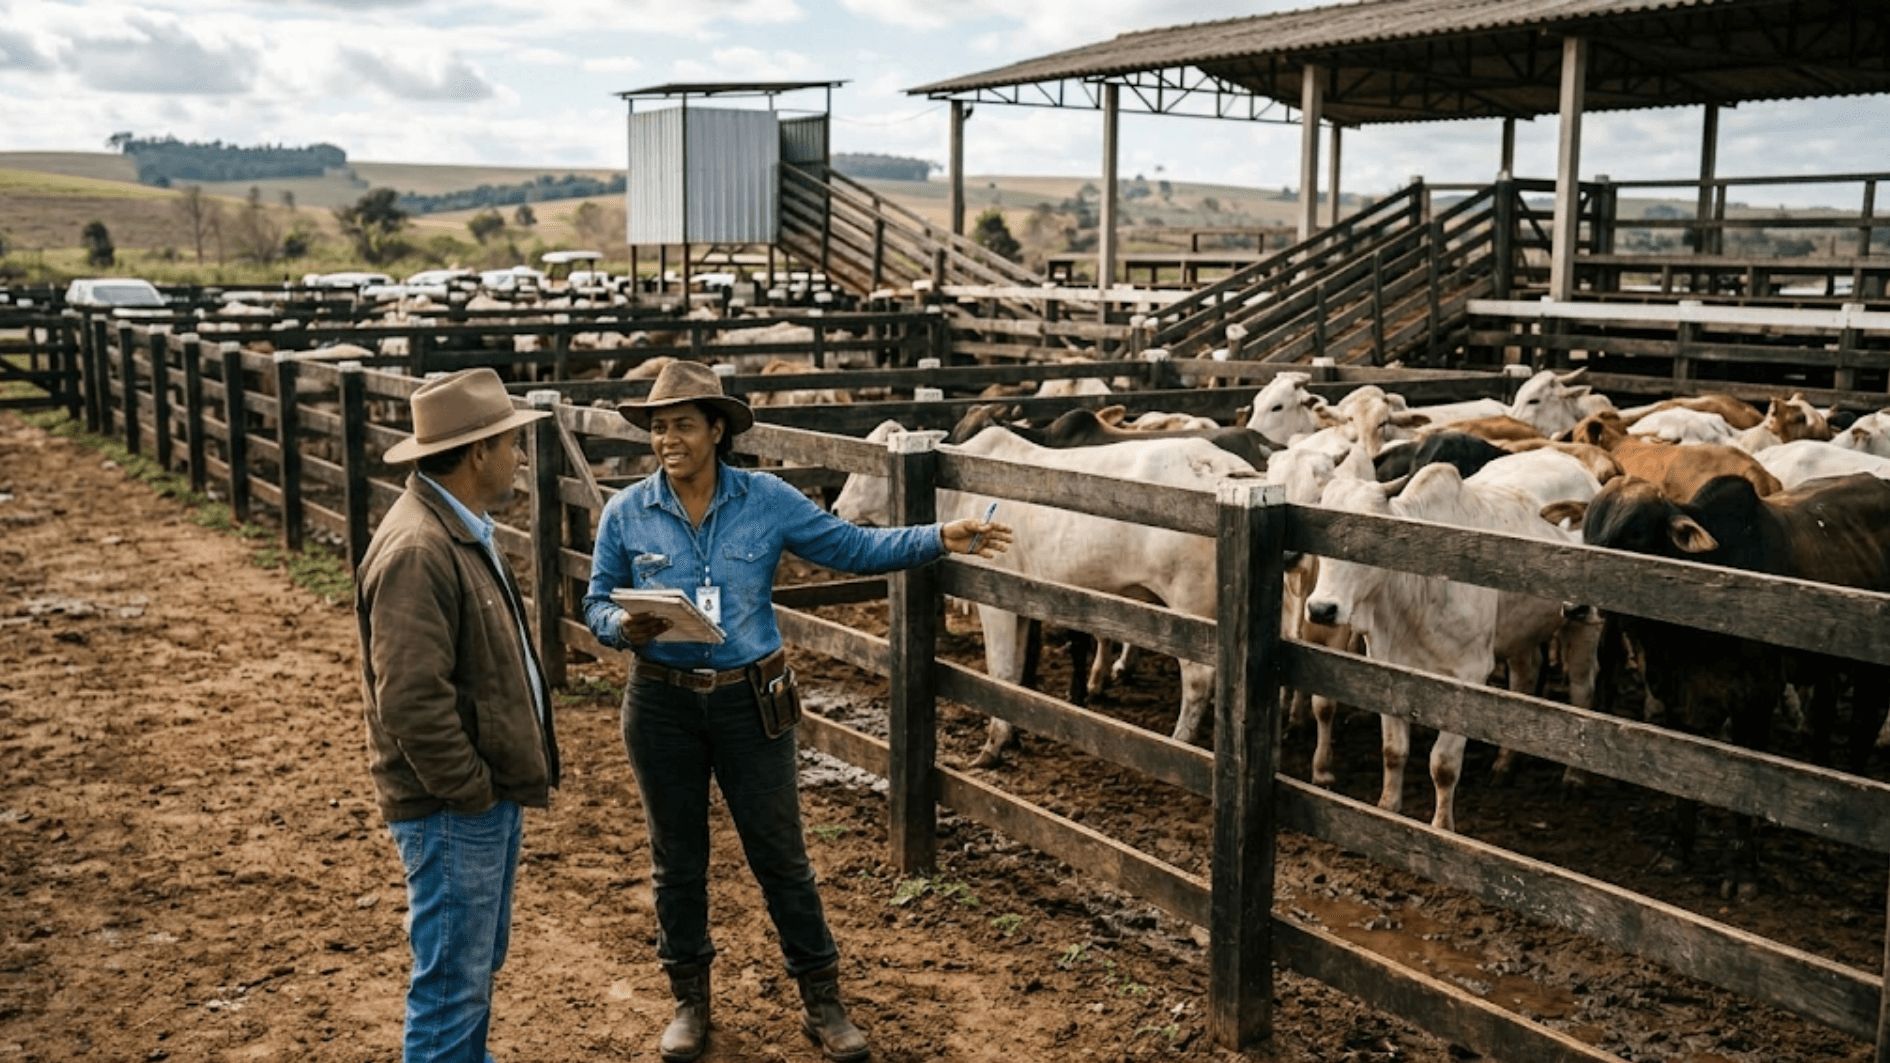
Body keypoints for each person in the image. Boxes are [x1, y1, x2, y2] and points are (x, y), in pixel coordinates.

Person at [584, 360, 1011, 1063]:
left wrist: (939, 536)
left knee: (782, 857)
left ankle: (823, 1000)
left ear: (717, 429)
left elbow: (852, 546)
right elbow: (597, 597)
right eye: (658, 428)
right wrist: (617, 626)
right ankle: (690, 1000)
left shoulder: (767, 499)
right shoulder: (626, 512)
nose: (667, 440)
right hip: (660, 704)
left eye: (682, 425)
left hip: (752, 702)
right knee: (677, 859)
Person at [355, 367, 559, 1063]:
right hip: (452, 805)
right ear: (478, 452)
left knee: (469, 972)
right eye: (510, 442)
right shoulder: (420, 546)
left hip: (474, 797)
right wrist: (470, 790)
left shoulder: (452, 527)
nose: (519, 456)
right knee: (451, 986)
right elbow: (410, 697)